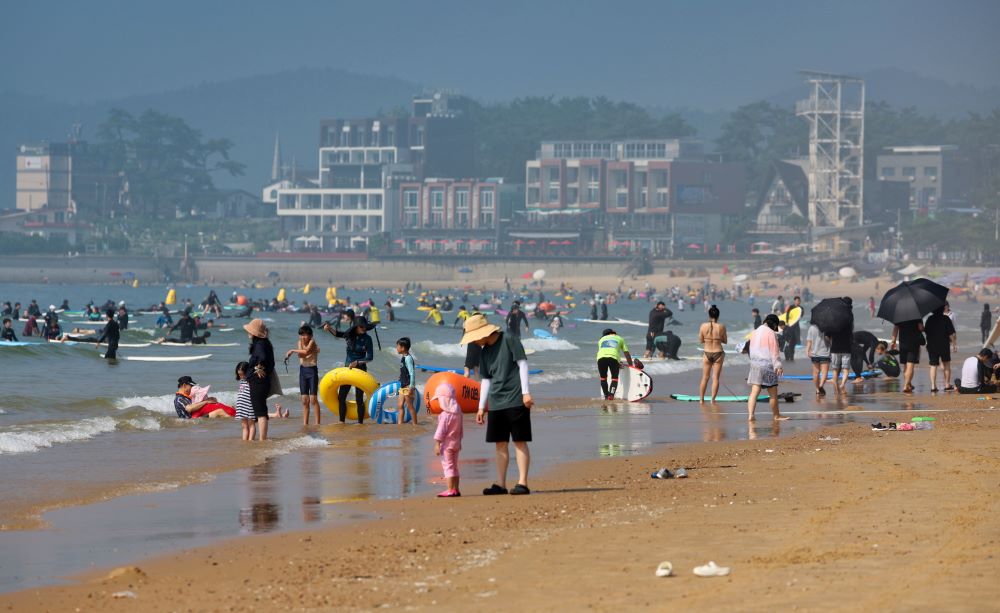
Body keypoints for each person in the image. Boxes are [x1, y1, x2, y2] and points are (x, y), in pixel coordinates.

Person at [461, 313, 533, 496]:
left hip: (516, 399)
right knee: (500, 444)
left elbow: (523, 364)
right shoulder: (484, 352)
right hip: (496, 402)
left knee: (519, 441)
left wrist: (526, 393)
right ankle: (500, 484)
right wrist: (480, 407)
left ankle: (522, 483)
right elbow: (486, 380)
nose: (474, 342)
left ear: (483, 333)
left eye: (474, 338)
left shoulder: (509, 339)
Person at [323, 317, 373, 424]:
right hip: (348, 370)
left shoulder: (368, 339)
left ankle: (360, 423)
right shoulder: (350, 335)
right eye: (361, 326)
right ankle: (342, 422)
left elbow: (369, 357)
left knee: (359, 399)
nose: (364, 328)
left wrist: (357, 362)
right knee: (341, 397)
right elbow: (338, 334)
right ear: (356, 327)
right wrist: (329, 328)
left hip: (360, 371)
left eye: (365, 326)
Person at [746, 314, 788, 421]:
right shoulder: (771, 334)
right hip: (767, 366)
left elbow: (751, 349)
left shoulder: (755, 332)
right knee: (773, 393)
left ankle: (751, 415)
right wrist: (778, 365)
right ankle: (776, 415)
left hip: (755, 365)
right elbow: (774, 351)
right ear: (774, 324)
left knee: (754, 392)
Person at [245, 318, 277, 439]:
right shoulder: (265, 343)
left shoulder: (259, 344)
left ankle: (262, 440)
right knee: (261, 411)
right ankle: (262, 439)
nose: (248, 332)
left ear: (254, 333)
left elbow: (262, 358)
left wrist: (258, 368)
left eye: (250, 330)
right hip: (262, 382)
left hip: (258, 382)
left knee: (260, 413)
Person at [285, 325, 321, 426]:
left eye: (305, 335)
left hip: (312, 371)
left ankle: (317, 424)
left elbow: (304, 352)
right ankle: (305, 425)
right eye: (301, 335)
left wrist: (292, 351)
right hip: (303, 371)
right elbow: (301, 355)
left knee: (313, 399)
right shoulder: (299, 342)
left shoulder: (312, 342)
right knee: (305, 400)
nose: (303, 337)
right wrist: (306, 353)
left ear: (310, 336)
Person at [433, 383, 464, 497]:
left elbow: (441, 431)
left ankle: (450, 490)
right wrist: (460, 441)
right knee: (454, 466)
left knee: (448, 466)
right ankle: (456, 489)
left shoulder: (445, 415)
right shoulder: (458, 412)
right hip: (456, 443)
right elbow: (461, 429)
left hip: (447, 445)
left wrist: (437, 443)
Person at [698, 305, 728, 403]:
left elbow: (701, 340)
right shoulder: (721, 326)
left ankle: (701, 400)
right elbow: (725, 341)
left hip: (707, 353)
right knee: (715, 378)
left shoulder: (703, 326)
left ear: (709, 315)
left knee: (705, 377)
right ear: (718, 316)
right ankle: (712, 400)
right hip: (718, 353)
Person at [924, 305, 957, 392]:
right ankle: (947, 385)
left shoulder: (930, 319)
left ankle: (933, 386)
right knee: (946, 364)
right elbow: (951, 333)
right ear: (942, 309)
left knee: (933, 365)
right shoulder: (946, 318)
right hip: (944, 345)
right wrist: (954, 344)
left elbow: (926, 331)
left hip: (932, 345)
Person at [596, 328, 634, 401]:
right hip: (613, 359)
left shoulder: (601, 340)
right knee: (614, 378)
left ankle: (606, 396)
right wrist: (631, 365)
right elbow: (626, 353)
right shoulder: (620, 338)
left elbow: (604, 351)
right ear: (613, 333)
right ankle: (611, 395)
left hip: (600, 359)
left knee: (603, 378)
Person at [828, 298, 855, 394]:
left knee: (835, 369)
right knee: (846, 369)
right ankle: (842, 384)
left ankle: (835, 386)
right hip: (846, 347)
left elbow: (829, 333)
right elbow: (851, 331)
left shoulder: (834, 317)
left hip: (835, 347)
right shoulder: (850, 316)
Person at [891, 317, 924, 394]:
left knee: (905, 365)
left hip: (903, 343)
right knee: (910, 365)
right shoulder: (917, 315)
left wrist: (893, 341)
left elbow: (895, 328)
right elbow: (920, 328)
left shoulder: (899, 315)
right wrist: (923, 328)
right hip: (913, 343)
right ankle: (906, 385)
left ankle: (909, 384)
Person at [396, 337, 418, 425]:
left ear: (403, 348)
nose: (396, 348)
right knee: (400, 405)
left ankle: (415, 424)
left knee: (409, 406)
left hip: (408, 386)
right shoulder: (403, 357)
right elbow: (404, 371)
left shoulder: (408, 358)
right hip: (403, 385)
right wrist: (400, 378)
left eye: (397, 346)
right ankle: (400, 425)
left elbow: (411, 373)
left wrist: (411, 387)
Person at [805, 322, 831, 396]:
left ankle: (817, 389)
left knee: (815, 372)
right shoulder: (827, 327)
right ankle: (820, 386)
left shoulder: (811, 328)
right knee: (824, 372)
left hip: (814, 353)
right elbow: (830, 340)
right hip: (825, 353)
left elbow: (809, 341)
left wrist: (807, 351)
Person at [782, 297, 802, 361]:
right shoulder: (791, 307)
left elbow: (801, 315)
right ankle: (787, 356)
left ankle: (791, 356)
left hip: (795, 328)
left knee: (793, 343)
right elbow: (786, 315)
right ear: (794, 301)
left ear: (800, 302)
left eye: (798, 301)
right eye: (796, 301)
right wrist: (787, 322)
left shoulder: (800, 308)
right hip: (788, 327)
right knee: (786, 342)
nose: (797, 302)